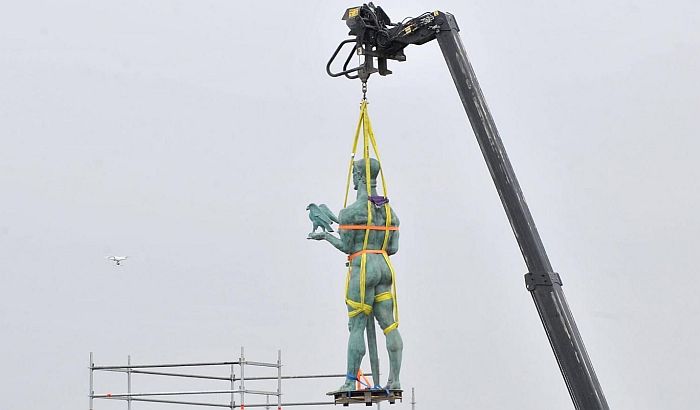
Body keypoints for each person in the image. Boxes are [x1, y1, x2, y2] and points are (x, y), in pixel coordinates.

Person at [308, 158, 403, 391]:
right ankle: (395, 379)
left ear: (358, 176)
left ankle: (351, 381)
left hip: (362, 269)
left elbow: (347, 246)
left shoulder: (350, 213)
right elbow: (392, 248)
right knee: (390, 326)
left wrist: (326, 237)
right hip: (384, 267)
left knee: (357, 325)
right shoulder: (390, 214)